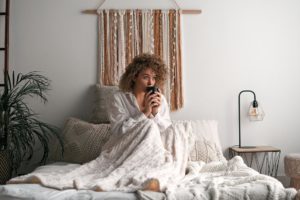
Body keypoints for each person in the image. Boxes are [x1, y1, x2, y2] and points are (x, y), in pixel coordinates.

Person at [108, 53, 171, 137]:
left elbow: (166, 131)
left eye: (154, 78)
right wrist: (145, 113)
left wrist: (155, 113)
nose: (150, 82)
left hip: (153, 146)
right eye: (145, 77)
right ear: (134, 77)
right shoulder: (118, 98)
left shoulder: (160, 99)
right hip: (126, 145)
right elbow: (118, 131)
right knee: (149, 127)